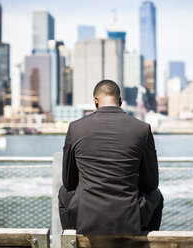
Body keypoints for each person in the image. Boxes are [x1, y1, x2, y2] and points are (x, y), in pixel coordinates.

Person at [58, 79, 163, 235]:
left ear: (95, 102)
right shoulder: (142, 129)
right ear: (120, 100)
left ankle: (73, 240)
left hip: (86, 216)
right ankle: (144, 243)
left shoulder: (75, 128)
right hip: (130, 217)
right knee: (156, 195)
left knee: (63, 192)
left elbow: (69, 181)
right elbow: (151, 184)